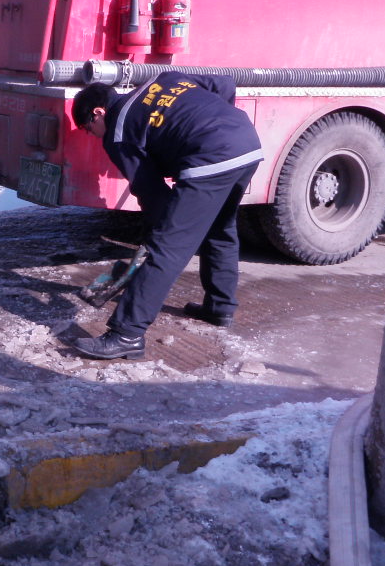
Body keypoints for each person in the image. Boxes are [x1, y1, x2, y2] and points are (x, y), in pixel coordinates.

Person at [70, 73, 263, 360]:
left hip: (209, 159)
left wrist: (157, 231)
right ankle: (219, 307)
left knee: (166, 248)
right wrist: (216, 124)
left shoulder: (118, 131)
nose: (93, 135)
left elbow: (152, 193)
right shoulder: (164, 79)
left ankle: (126, 334)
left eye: (88, 129)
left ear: (98, 113)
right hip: (246, 143)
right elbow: (224, 84)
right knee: (219, 228)